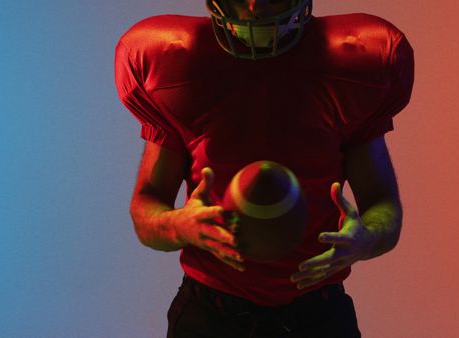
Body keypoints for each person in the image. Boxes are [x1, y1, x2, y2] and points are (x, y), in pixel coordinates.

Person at [114, 0, 414, 336]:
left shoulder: (356, 61)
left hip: (318, 313)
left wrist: (366, 238)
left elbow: (382, 202)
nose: (255, 5)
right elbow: (146, 209)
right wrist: (179, 225)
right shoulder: (175, 62)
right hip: (211, 314)